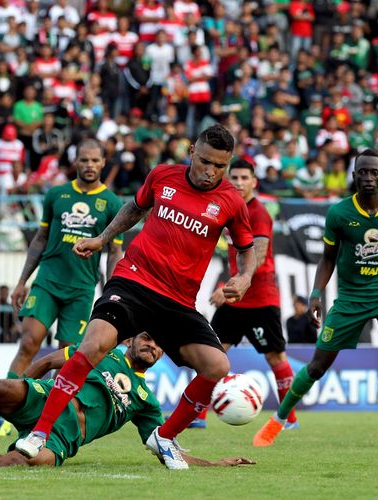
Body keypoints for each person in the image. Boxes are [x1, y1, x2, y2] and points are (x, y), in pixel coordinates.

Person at [14, 124, 257, 470]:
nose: (210, 171)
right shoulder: (162, 176)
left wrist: (244, 277)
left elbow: (247, 250)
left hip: (177, 302)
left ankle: (164, 436)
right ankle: (39, 431)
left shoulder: (231, 201)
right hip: (135, 281)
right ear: (191, 152)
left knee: (218, 366)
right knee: (93, 346)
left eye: (220, 166)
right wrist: (102, 238)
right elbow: (134, 208)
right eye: (205, 162)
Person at [253, 149, 378, 449]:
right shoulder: (339, 213)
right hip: (350, 298)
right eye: (362, 172)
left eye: (373, 172)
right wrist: (316, 294)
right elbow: (328, 258)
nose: (368, 177)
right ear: (353, 176)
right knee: (317, 366)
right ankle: (277, 421)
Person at [0, 333, 255, 469]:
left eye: (158, 344)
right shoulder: (104, 350)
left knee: (21, 462)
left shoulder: (147, 403)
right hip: (44, 401)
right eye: (147, 338)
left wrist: (214, 462)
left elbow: (164, 448)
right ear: (132, 340)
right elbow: (51, 360)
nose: (152, 345)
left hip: (63, 439)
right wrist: (14, 390)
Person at [0, 138, 125, 437]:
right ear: (75, 162)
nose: (89, 166)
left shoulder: (113, 204)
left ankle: (42, 415)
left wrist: (113, 291)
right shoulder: (56, 195)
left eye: (95, 160)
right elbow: (39, 239)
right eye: (84, 160)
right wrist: (22, 281)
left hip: (81, 288)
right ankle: (5, 411)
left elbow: (114, 253)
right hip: (48, 281)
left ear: (103, 163)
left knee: (67, 355)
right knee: (29, 342)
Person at [208, 159, 298, 429]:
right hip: (236, 299)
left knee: (275, 358)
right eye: (233, 177)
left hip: (260, 299)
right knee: (211, 356)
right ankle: (197, 418)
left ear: (253, 182)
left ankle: (289, 419)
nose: (238, 182)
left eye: (244, 177)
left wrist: (229, 286)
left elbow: (256, 257)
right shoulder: (227, 210)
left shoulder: (258, 213)